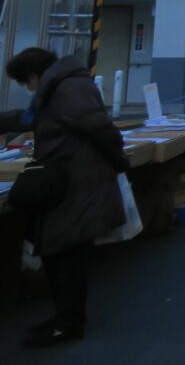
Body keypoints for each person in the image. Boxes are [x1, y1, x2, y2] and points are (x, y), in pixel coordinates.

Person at [0, 48, 129, 348]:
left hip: (78, 181)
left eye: (25, 82)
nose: (27, 88)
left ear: (34, 75)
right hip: (69, 179)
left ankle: (69, 322)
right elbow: (30, 118)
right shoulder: (58, 87)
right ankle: (64, 317)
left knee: (66, 252)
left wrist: (119, 162)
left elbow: (101, 129)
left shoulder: (69, 89)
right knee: (58, 250)